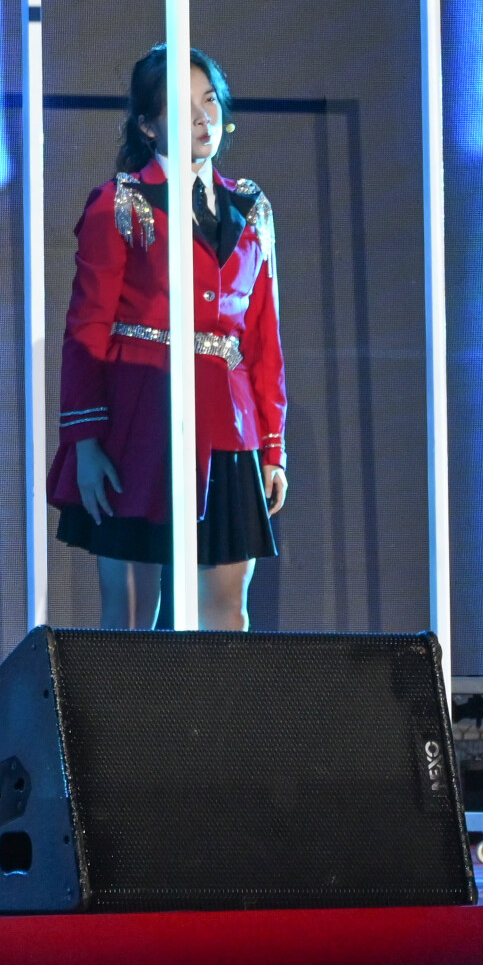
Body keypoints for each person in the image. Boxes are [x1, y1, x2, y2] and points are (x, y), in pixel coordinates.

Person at [47, 45, 287, 631]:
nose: (204, 117)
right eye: (183, 107)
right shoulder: (121, 202)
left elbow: (263, 338)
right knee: (129, 616)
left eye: (210, 101)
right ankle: (126, 701)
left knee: (227, 613)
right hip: (138, 424)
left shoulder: (251, 206)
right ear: (149, 125)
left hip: (230, 427)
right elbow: (87, 330)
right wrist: (85, 444)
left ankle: (215, 701)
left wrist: (272, 447)